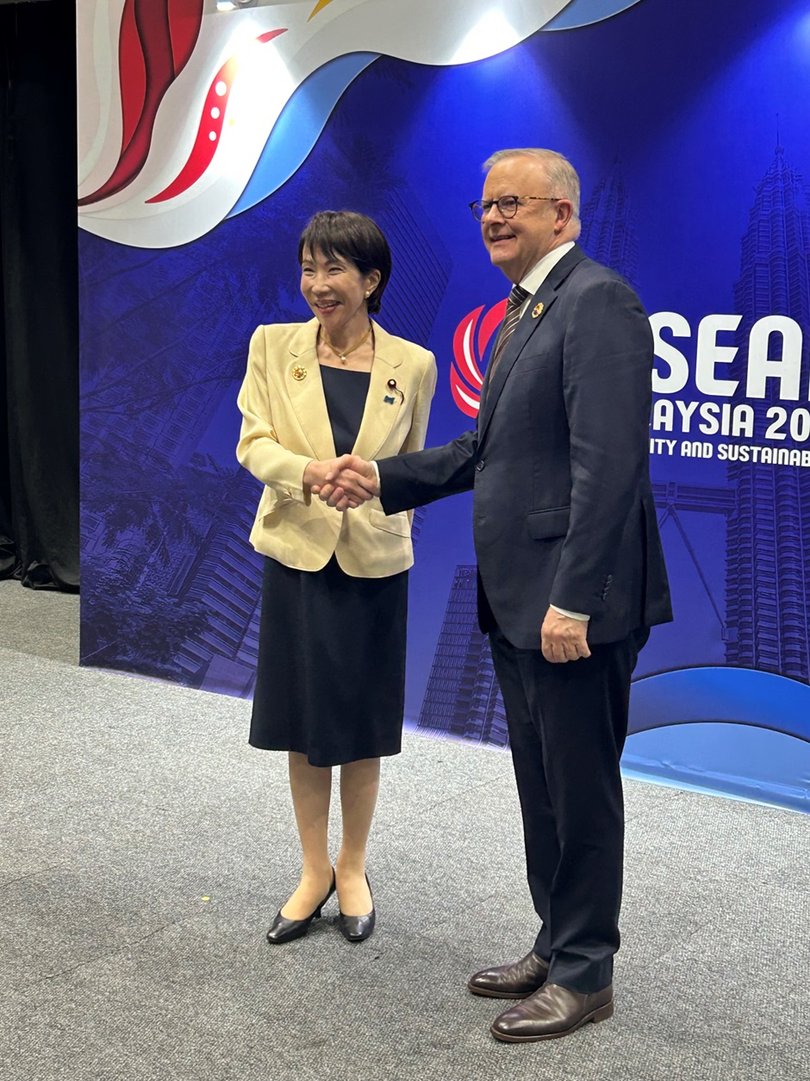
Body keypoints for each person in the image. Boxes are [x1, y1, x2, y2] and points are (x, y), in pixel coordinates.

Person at [317, 149, 672, 1040]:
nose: (493, 217)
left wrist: (577, 599)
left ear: (566, 215)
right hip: (521, 600)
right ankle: (556, 940)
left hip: (572, 607)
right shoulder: (524, 310)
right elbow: (484, 451)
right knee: (542, 785)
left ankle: (588, 972)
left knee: (580, 787)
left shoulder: (600, 301)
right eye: (484, 203)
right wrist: (382, 476)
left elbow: (609, 467)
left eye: (513, 203)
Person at [236, 210, 436, 945]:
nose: (318, 286)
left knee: (360, 725)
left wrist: (374, 483)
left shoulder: (413, 364)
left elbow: (410, 465)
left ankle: (354, 866)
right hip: (296, 555)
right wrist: (307, 473)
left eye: (335, 271)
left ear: (371, 279)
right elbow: (253, 441)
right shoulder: (271, 346)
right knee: (300, 718)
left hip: (374, 565)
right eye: (309, 269)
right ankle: (312, 867)